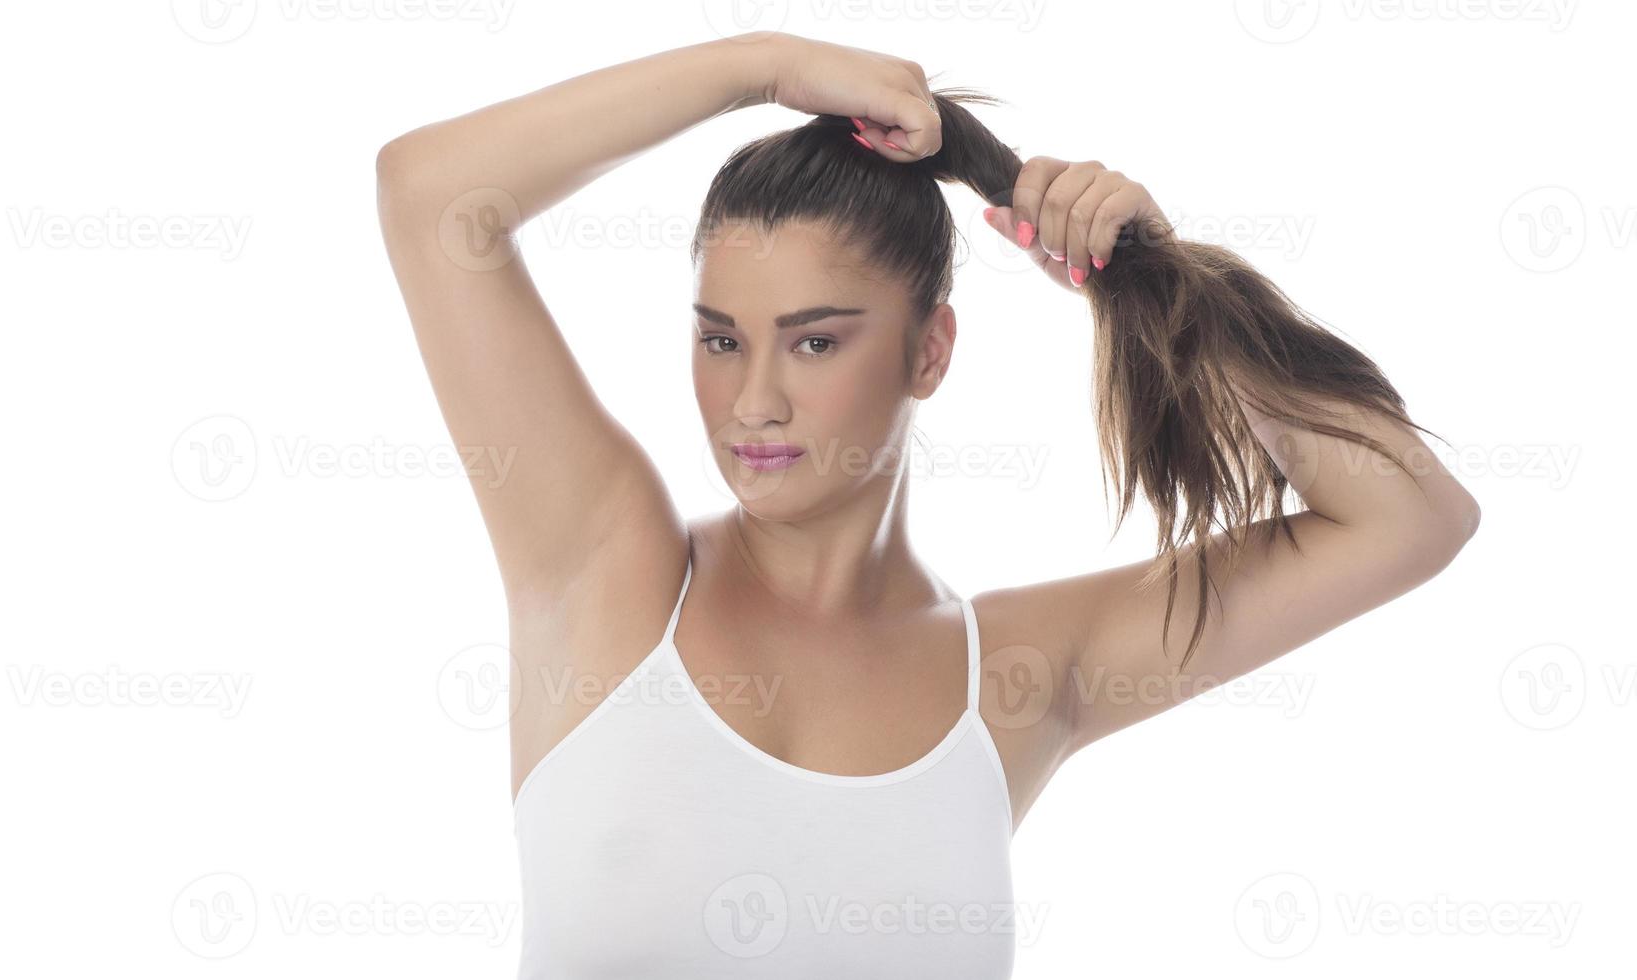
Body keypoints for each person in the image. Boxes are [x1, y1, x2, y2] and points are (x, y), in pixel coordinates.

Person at [374, 31, 1480, 979]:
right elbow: (428, 196)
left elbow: (1407, 518)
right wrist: (767, 64)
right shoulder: (603, 572)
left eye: (813, 340)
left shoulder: (1014, 678)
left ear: (929, 350)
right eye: (719, 338)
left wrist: (1147, 283)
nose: (752, 399)